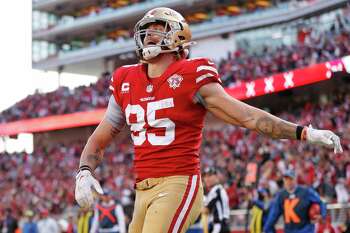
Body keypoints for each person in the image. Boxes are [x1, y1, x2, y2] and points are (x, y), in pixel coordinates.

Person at [74, 7, 343, 233]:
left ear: (178, 36)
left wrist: (304, 132)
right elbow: (100, 137)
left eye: (158, 29)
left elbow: (247, 116)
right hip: (142, 188)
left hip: (179, 182)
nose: (150, 35)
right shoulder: (125, 78)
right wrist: (84, 172)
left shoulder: (192, 73)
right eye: (148, 30)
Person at [202, 168, 230, 233]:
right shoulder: (218, 189)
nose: (207, 179)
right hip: (222, 225)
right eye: (205, 176)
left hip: (219, 226)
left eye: (209, 176)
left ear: (216, 177)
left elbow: (205, 210)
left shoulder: (216, 190)